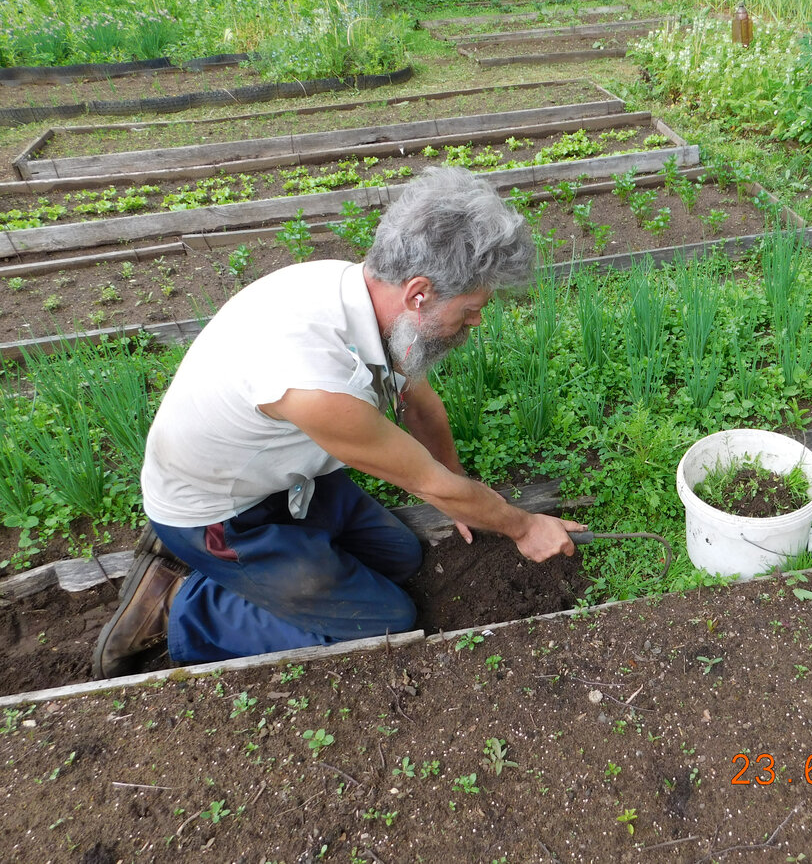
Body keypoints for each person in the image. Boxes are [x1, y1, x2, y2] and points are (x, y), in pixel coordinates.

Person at [93, 167, 584, 679]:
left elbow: (420, 405)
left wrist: (463, 487)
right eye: (471, 309)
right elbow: (428, 483)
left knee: (402, 557)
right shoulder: (313, 379)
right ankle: (179, 601)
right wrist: (522, 524)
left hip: (284, 479)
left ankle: (261, 569)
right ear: (419, 294)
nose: (476, 321)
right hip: (216, 513)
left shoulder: (364, 297)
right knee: (387, 621)